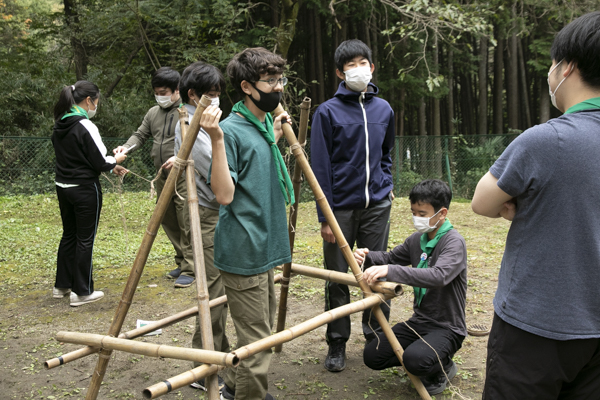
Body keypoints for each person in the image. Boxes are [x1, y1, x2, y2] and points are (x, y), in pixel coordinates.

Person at [472, 11, 600, 399]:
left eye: (552, 64)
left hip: (535, 328)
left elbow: (481, 202)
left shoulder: (546, 140)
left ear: (567, 68)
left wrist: (513, 201)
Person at [200, 47, 293, 400]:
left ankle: (232, 386)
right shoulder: (231, 130)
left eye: (280, 79)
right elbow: (223, 194)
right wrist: (217, 140)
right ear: (247, 87)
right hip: (244, 249)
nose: (278, 88)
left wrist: (281, 125)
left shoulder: (263, 123)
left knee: (261, 330)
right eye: (270, 81)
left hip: (265, 245)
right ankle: (249, 395)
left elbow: (270, 139)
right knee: (258, 344)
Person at [310, 38, 395, 372]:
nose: (357, 69)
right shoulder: (327, 112)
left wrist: (385, 186)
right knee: (338, 276)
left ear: (371, 67)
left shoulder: (384, 109)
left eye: (362, 63)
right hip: (339, 210)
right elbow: (320, 167)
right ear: (339, 73)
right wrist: (325, 216)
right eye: (350, 65)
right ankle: (337, 342)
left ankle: (378, 339)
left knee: (376, 273)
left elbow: (386, 154)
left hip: (376, 207)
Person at [358, 179, 467, 396]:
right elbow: (391, 257)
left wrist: (390, 270)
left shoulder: (454, 242)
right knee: (372, 355)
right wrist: (367, 256)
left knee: (415, 360)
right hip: (419, 322)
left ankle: (441, 366)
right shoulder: (417, 239)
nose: (416, 218)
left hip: (447, 327)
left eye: (422, 213)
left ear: (442, 213)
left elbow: (439, 276)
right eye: (413, 212)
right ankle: (424, 354)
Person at [173, 61, 229, 392]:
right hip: (209, 215)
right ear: (193, 95)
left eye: (219, 94)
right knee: (215, 292)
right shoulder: (193, 128)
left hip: (217, 213)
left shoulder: (204, 123)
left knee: (222, 289)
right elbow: (222, 178)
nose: (217, 101)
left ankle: (214, 356)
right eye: (210, 95)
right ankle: (205, 363)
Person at [113, 67, 196, 288]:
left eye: (164, 91)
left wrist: (179, 158)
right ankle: (181, 260)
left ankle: (191, 267)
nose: (160, 96)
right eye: (157, 92)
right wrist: (126, 149)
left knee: (186, 220)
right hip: (162, 174)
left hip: (185, 175)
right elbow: (140, 135)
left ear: (177, 90)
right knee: (167, 219)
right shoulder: (153, 113)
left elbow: (199, 142)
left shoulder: (189, 111)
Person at [51, 81, 128, 307]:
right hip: (85, 189)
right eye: (97, 101)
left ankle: (62, 286)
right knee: (85, 239)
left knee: (69, 235)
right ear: (88, 101)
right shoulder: (85, 125)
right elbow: (100, 160)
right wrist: (117, 160)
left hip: (63, 187)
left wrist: (109, 165)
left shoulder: (60, 123)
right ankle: (82, 292)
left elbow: (81, 157)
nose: (97, 105)